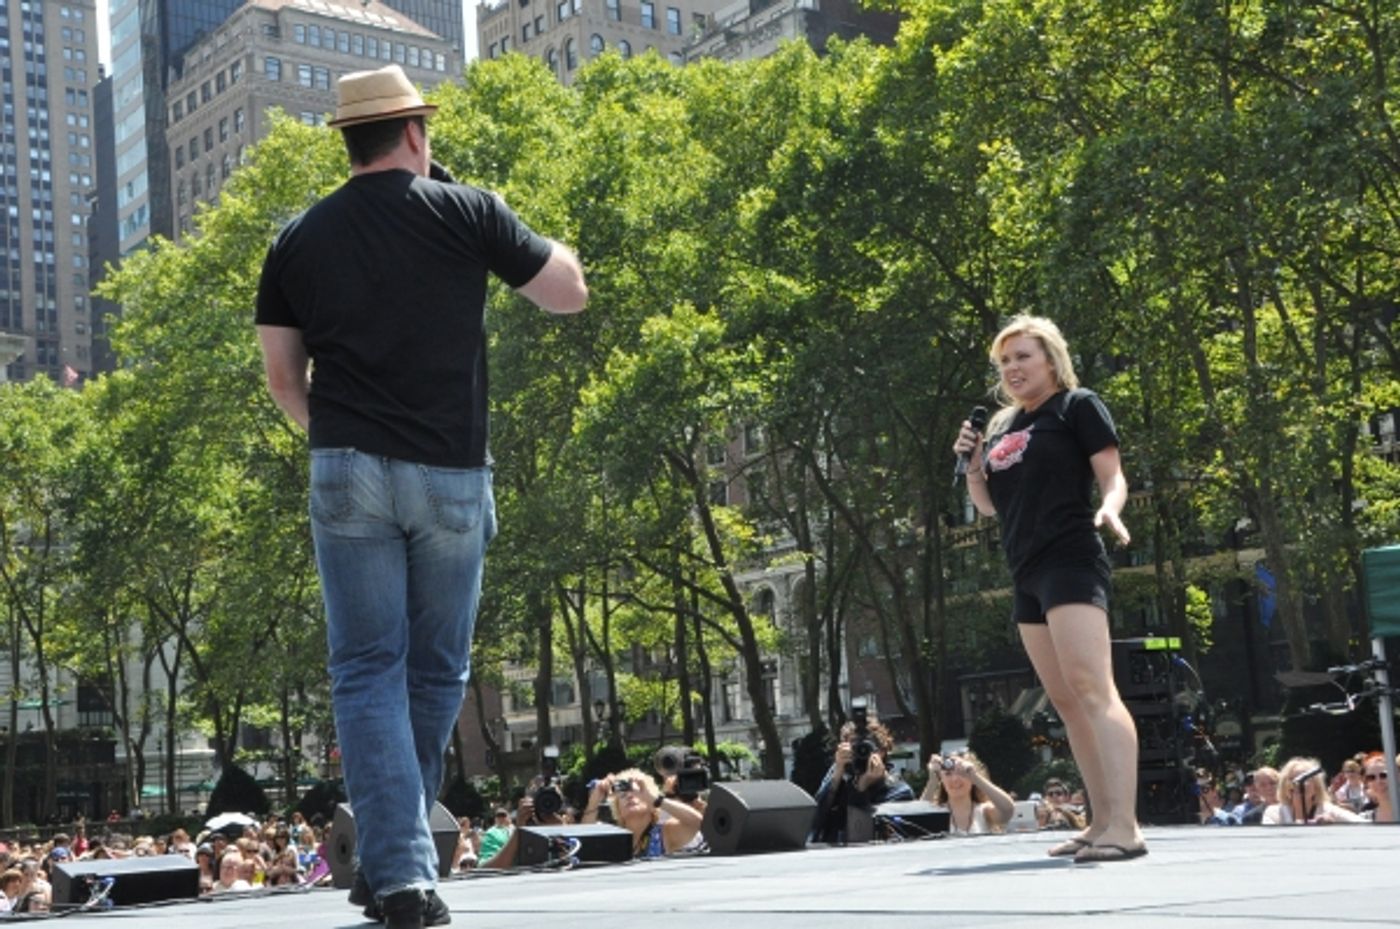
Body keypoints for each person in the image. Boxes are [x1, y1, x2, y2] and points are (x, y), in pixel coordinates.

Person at [255, 64, 587, 929]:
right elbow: (567, 293)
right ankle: (400, 864)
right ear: (413, 132)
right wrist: (483, 211)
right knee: (435, 670)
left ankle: (395, 868)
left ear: (348, 140)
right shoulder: (466, 209)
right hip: (448, 471)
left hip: (346, 467)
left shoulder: (296, 238)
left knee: (366, 669)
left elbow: (283, 381)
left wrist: (335, 442)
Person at [953, 315, 1144, 863]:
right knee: (1064, 700)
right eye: (1005, 361)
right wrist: (972, 466)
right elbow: (992, 505)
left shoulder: (1077, 406)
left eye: (1023, 357)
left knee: (1092, 688)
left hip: (1070, 556)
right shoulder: (1005, 426)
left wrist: (1110, 508)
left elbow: (1112, 473)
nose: (1012, 368)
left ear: (1050, 359)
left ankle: (1126, 827)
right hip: (1026, 569)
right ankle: (1100, 821)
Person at [807, 716, 915, 843]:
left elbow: (858, 835)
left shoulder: (899, 792)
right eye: (855, 748)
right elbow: (812, 822)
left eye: (867, 747)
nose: (861, 752)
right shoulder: (839, 783)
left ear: (882, 751)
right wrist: (836, 775)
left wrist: (861, 787)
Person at [580, 770, 704, 858]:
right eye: (622, 794)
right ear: (617, 808)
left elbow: (697, 823)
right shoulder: (614, 839)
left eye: (636, 792)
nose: (629, 796)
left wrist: (657, 800)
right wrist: (594, 801)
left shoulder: (665, 832)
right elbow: (584, 841)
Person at [920, 751, 1015, 835]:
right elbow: (917, 820)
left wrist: (975, 777)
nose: (955, 779)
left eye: (961, 773)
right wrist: (933, 781)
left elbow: (1007, 810)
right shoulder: (936, 813)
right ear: (941, 779)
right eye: (948, 774)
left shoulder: (984, 811)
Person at [1262, 757, 1365, 825]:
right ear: (1284, 786)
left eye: (1304, 779)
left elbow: (1363, 825)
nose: (1298, 783)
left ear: (1316, 786)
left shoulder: (1328, 810)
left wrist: (1334, 828)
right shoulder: (1273, 813)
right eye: (1292, 779)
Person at [1360, 752, 1394, 822]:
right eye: (1371, 777)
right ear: (1367, 784)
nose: (1378, 781)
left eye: (1384, 775)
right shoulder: (1364, 819)